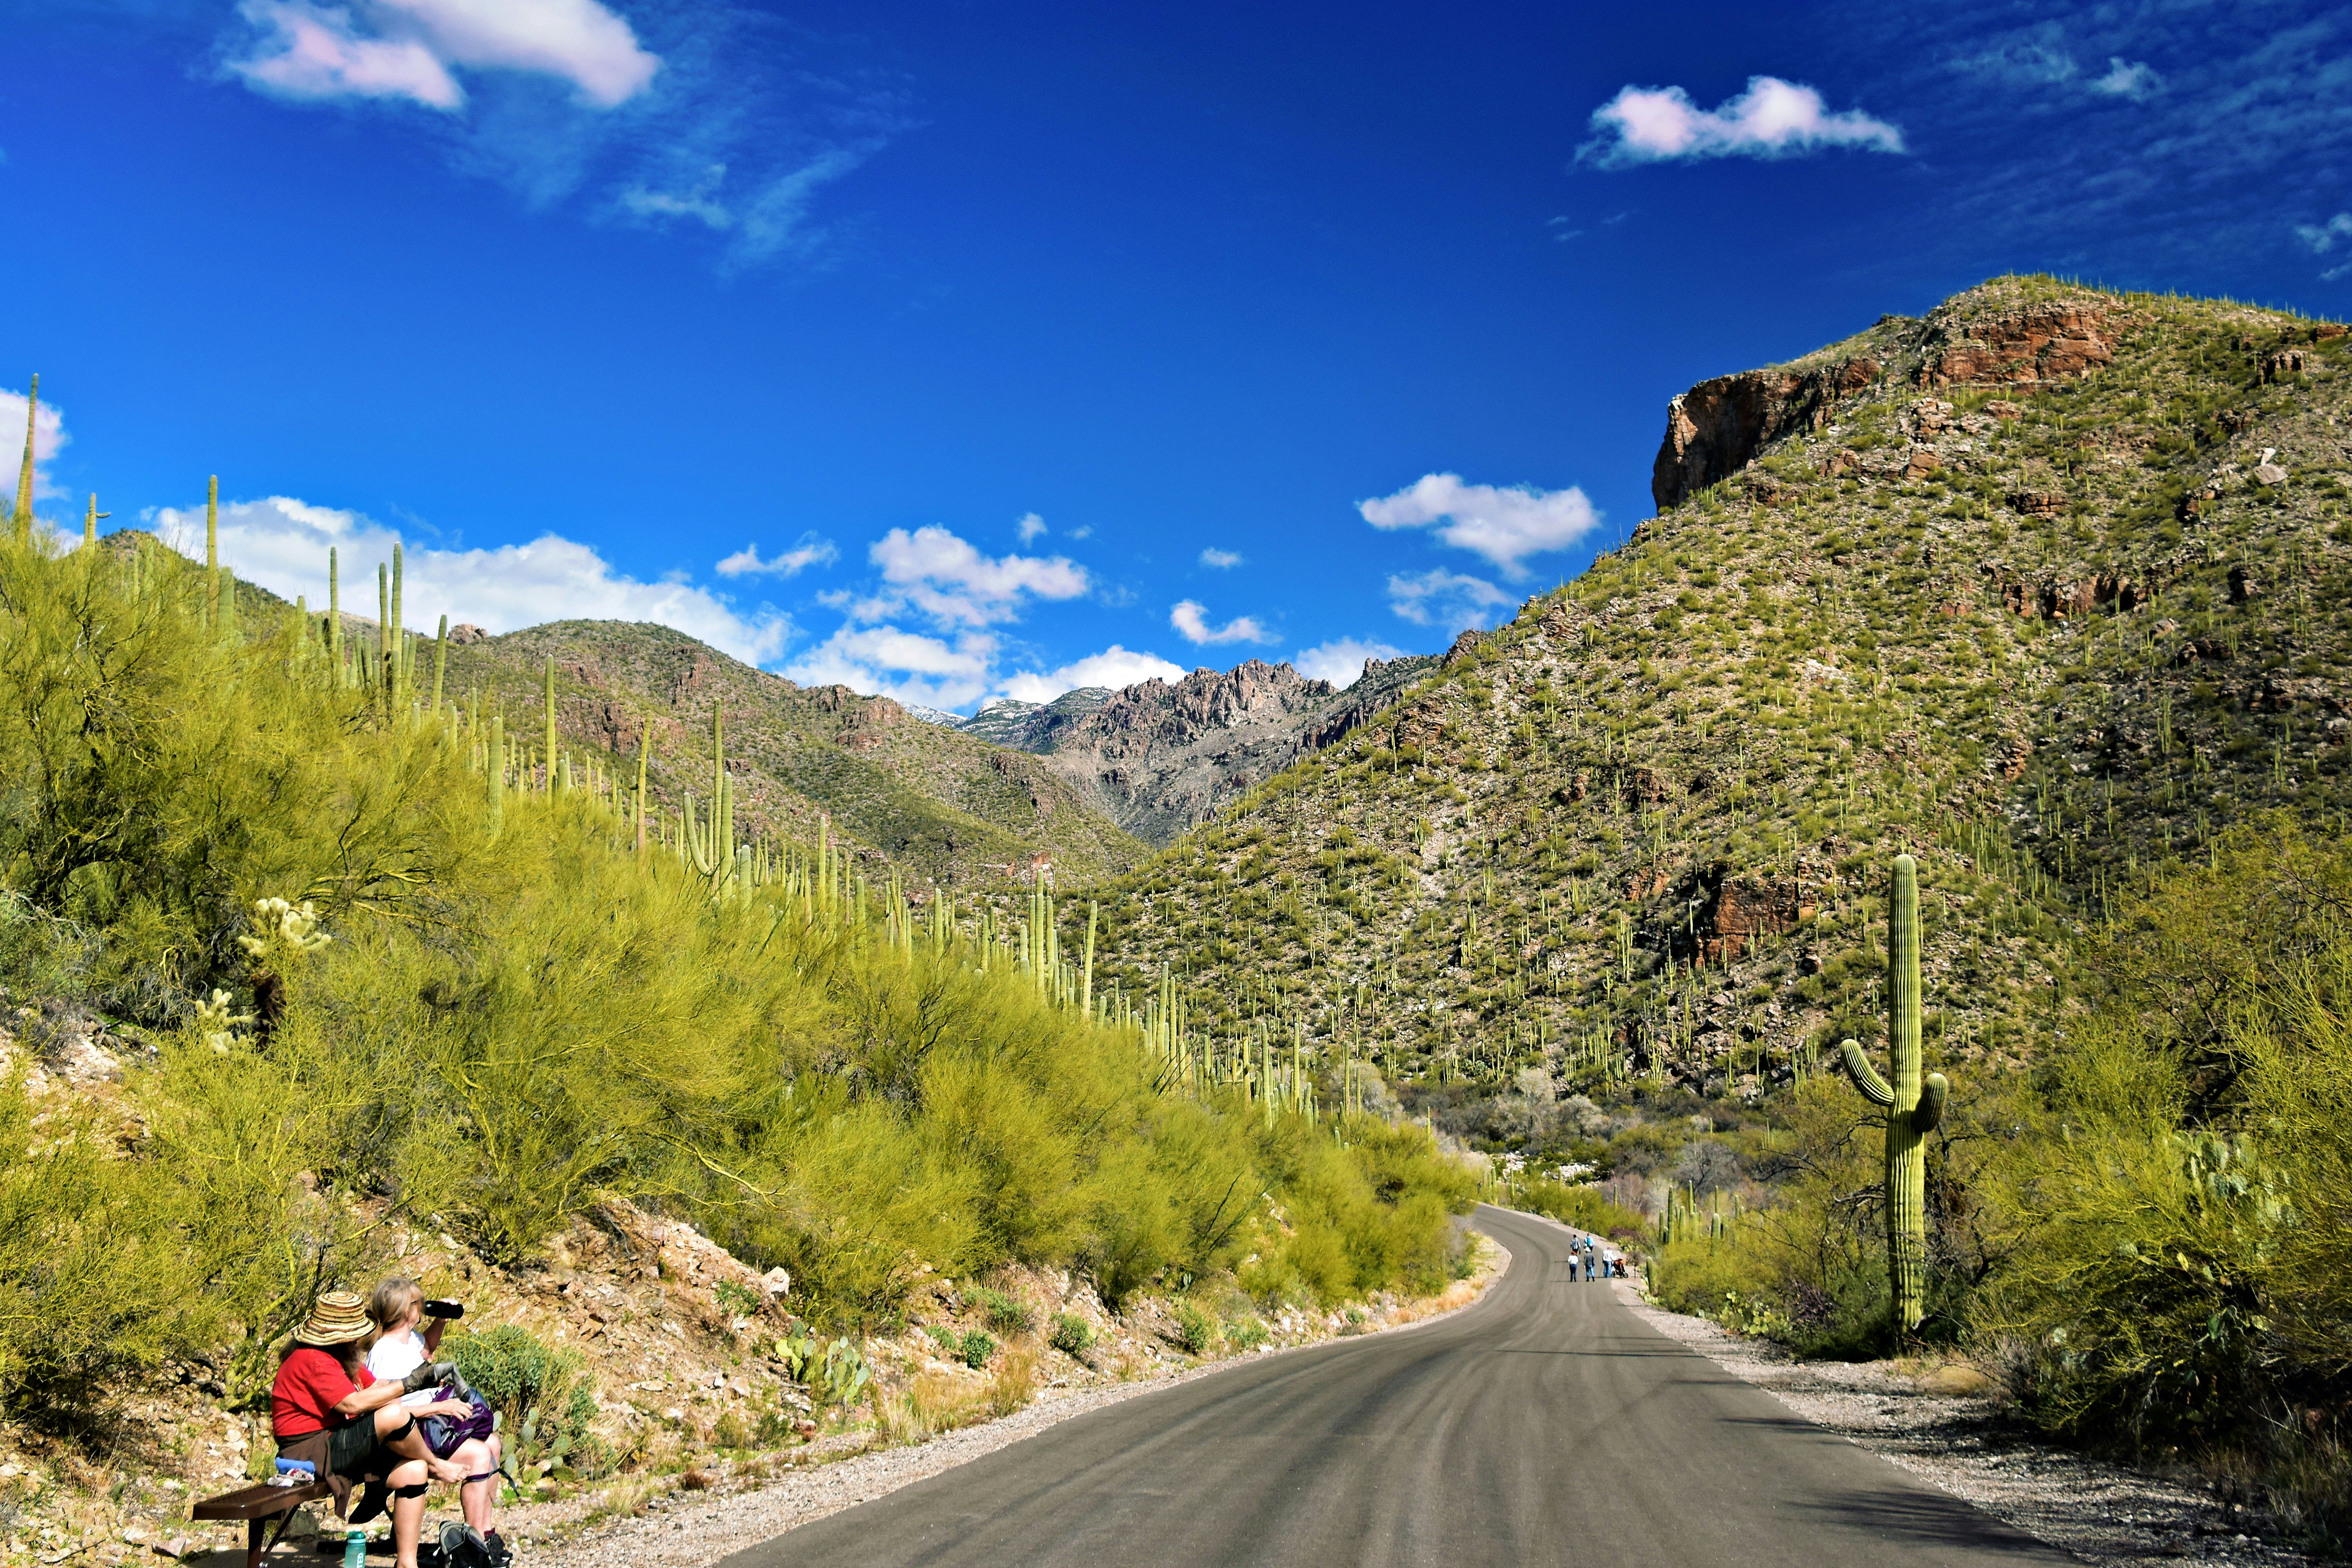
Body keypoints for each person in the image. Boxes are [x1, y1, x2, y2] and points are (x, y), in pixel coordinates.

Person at [269, 1290, 474, 1568]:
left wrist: (423, 1383)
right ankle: (436, 1463)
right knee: (393, 1416)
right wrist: (412, 1383)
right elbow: (352, 1402)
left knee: (413, 1470)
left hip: (335, 1441)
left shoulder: (341, 1357)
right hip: (310, 1450)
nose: (357, 1339)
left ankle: (407, 1563)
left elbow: (377, 1387)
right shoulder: (313, 1359)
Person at [366, 1278, 505, 1552]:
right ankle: (474, 1545)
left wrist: (441, 1320)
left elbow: (426, 1350)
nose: (423, 1308)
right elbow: (387, 1412)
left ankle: (485, 1533)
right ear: (409, 1312)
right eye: (419, 1303)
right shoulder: (384, 1352)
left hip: (431, 1422)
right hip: (410, 1434)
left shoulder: (407, 1340)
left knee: (493, 1443)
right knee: (479, 1455)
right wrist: (439, 1408)